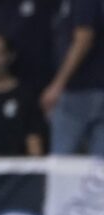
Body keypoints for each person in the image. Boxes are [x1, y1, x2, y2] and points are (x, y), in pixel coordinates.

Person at [41, 0, 104, 156]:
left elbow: (84, 38)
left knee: (61, 163)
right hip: (92, 89)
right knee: (98, 166)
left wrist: (58, 85)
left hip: (81, 89)